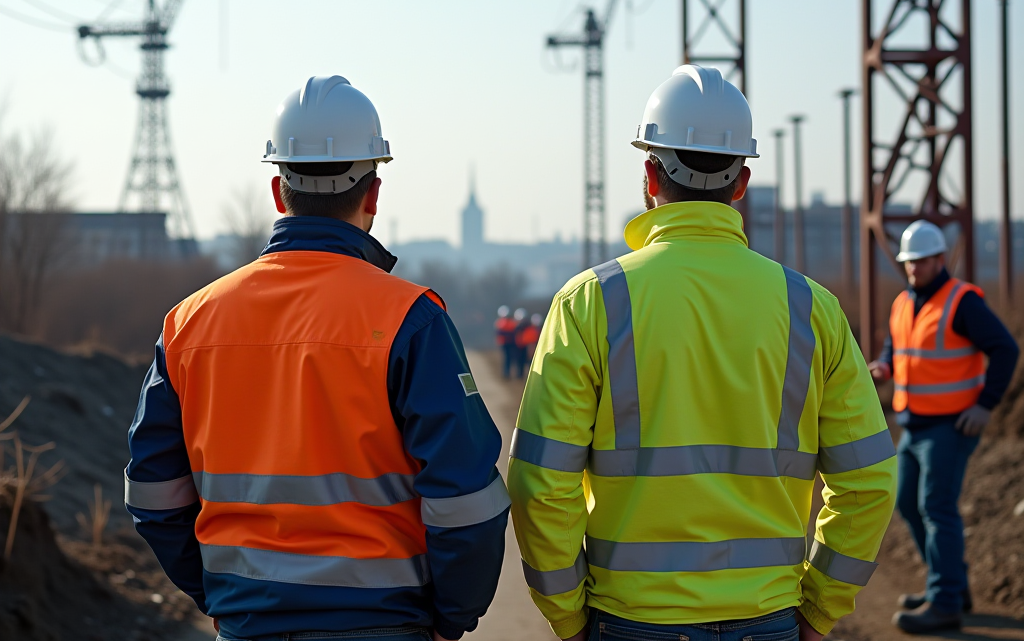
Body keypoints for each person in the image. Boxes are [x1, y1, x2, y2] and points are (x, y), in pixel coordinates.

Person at [507, 65, 897, 641]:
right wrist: (820, 608)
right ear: (741, 183)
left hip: (632, 621)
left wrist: (567, 613)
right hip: (768, 619)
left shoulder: (590, 303)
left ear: (649, 175)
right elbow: (869, 482)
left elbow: (540, 484)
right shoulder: (812, 309)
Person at [124, 76, 509, 641]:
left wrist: (219, 593)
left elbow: (153, 490)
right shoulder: (411, 319)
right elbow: (467, 500)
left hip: (247, 623)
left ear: (278, 192)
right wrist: (453, 617)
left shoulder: (189, 323)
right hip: (382, 625)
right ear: (373, 195)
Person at [867, 220, 1020, 634]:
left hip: (951, 426)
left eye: (921, 261)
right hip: (913, 424)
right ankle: (951, 585)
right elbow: (895, 349)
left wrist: (985, 406)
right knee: (907, 503)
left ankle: (946, 602)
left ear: (939, 259)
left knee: (936, 507)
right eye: (909, 261)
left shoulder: (961, 301)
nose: (913, 268)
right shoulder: (903, 303)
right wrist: (885, 367)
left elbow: (1005, 349)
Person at [495, 305, 518, 379]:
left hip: (509, 343)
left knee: (508, 358)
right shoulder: (504, 322)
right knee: (507, 358)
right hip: (506, 343)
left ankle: (507, 373)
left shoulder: (502, 322)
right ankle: (506, 373)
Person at [512, 308, 530, 379]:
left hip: (525, 345)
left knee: (524, 361)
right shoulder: (515, 327)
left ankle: (522, 374)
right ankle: (519, 374)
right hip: (517, 346)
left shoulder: (527, 326)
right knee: (518, 361)